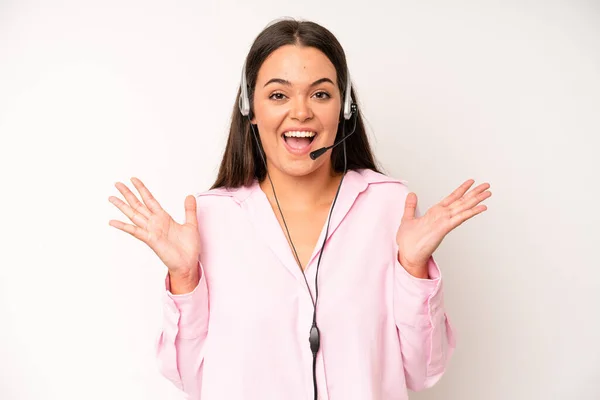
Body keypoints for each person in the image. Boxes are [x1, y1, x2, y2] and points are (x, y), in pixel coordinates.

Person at [108, 18, 491, 400]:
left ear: (344, 108)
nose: (301, 112)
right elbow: (191, 380)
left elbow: (423, 371)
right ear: (250, 108)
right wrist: (184, 277)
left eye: (320, 95)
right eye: (279, 95)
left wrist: (413, 269)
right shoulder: (211, 219)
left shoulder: (390, 207)